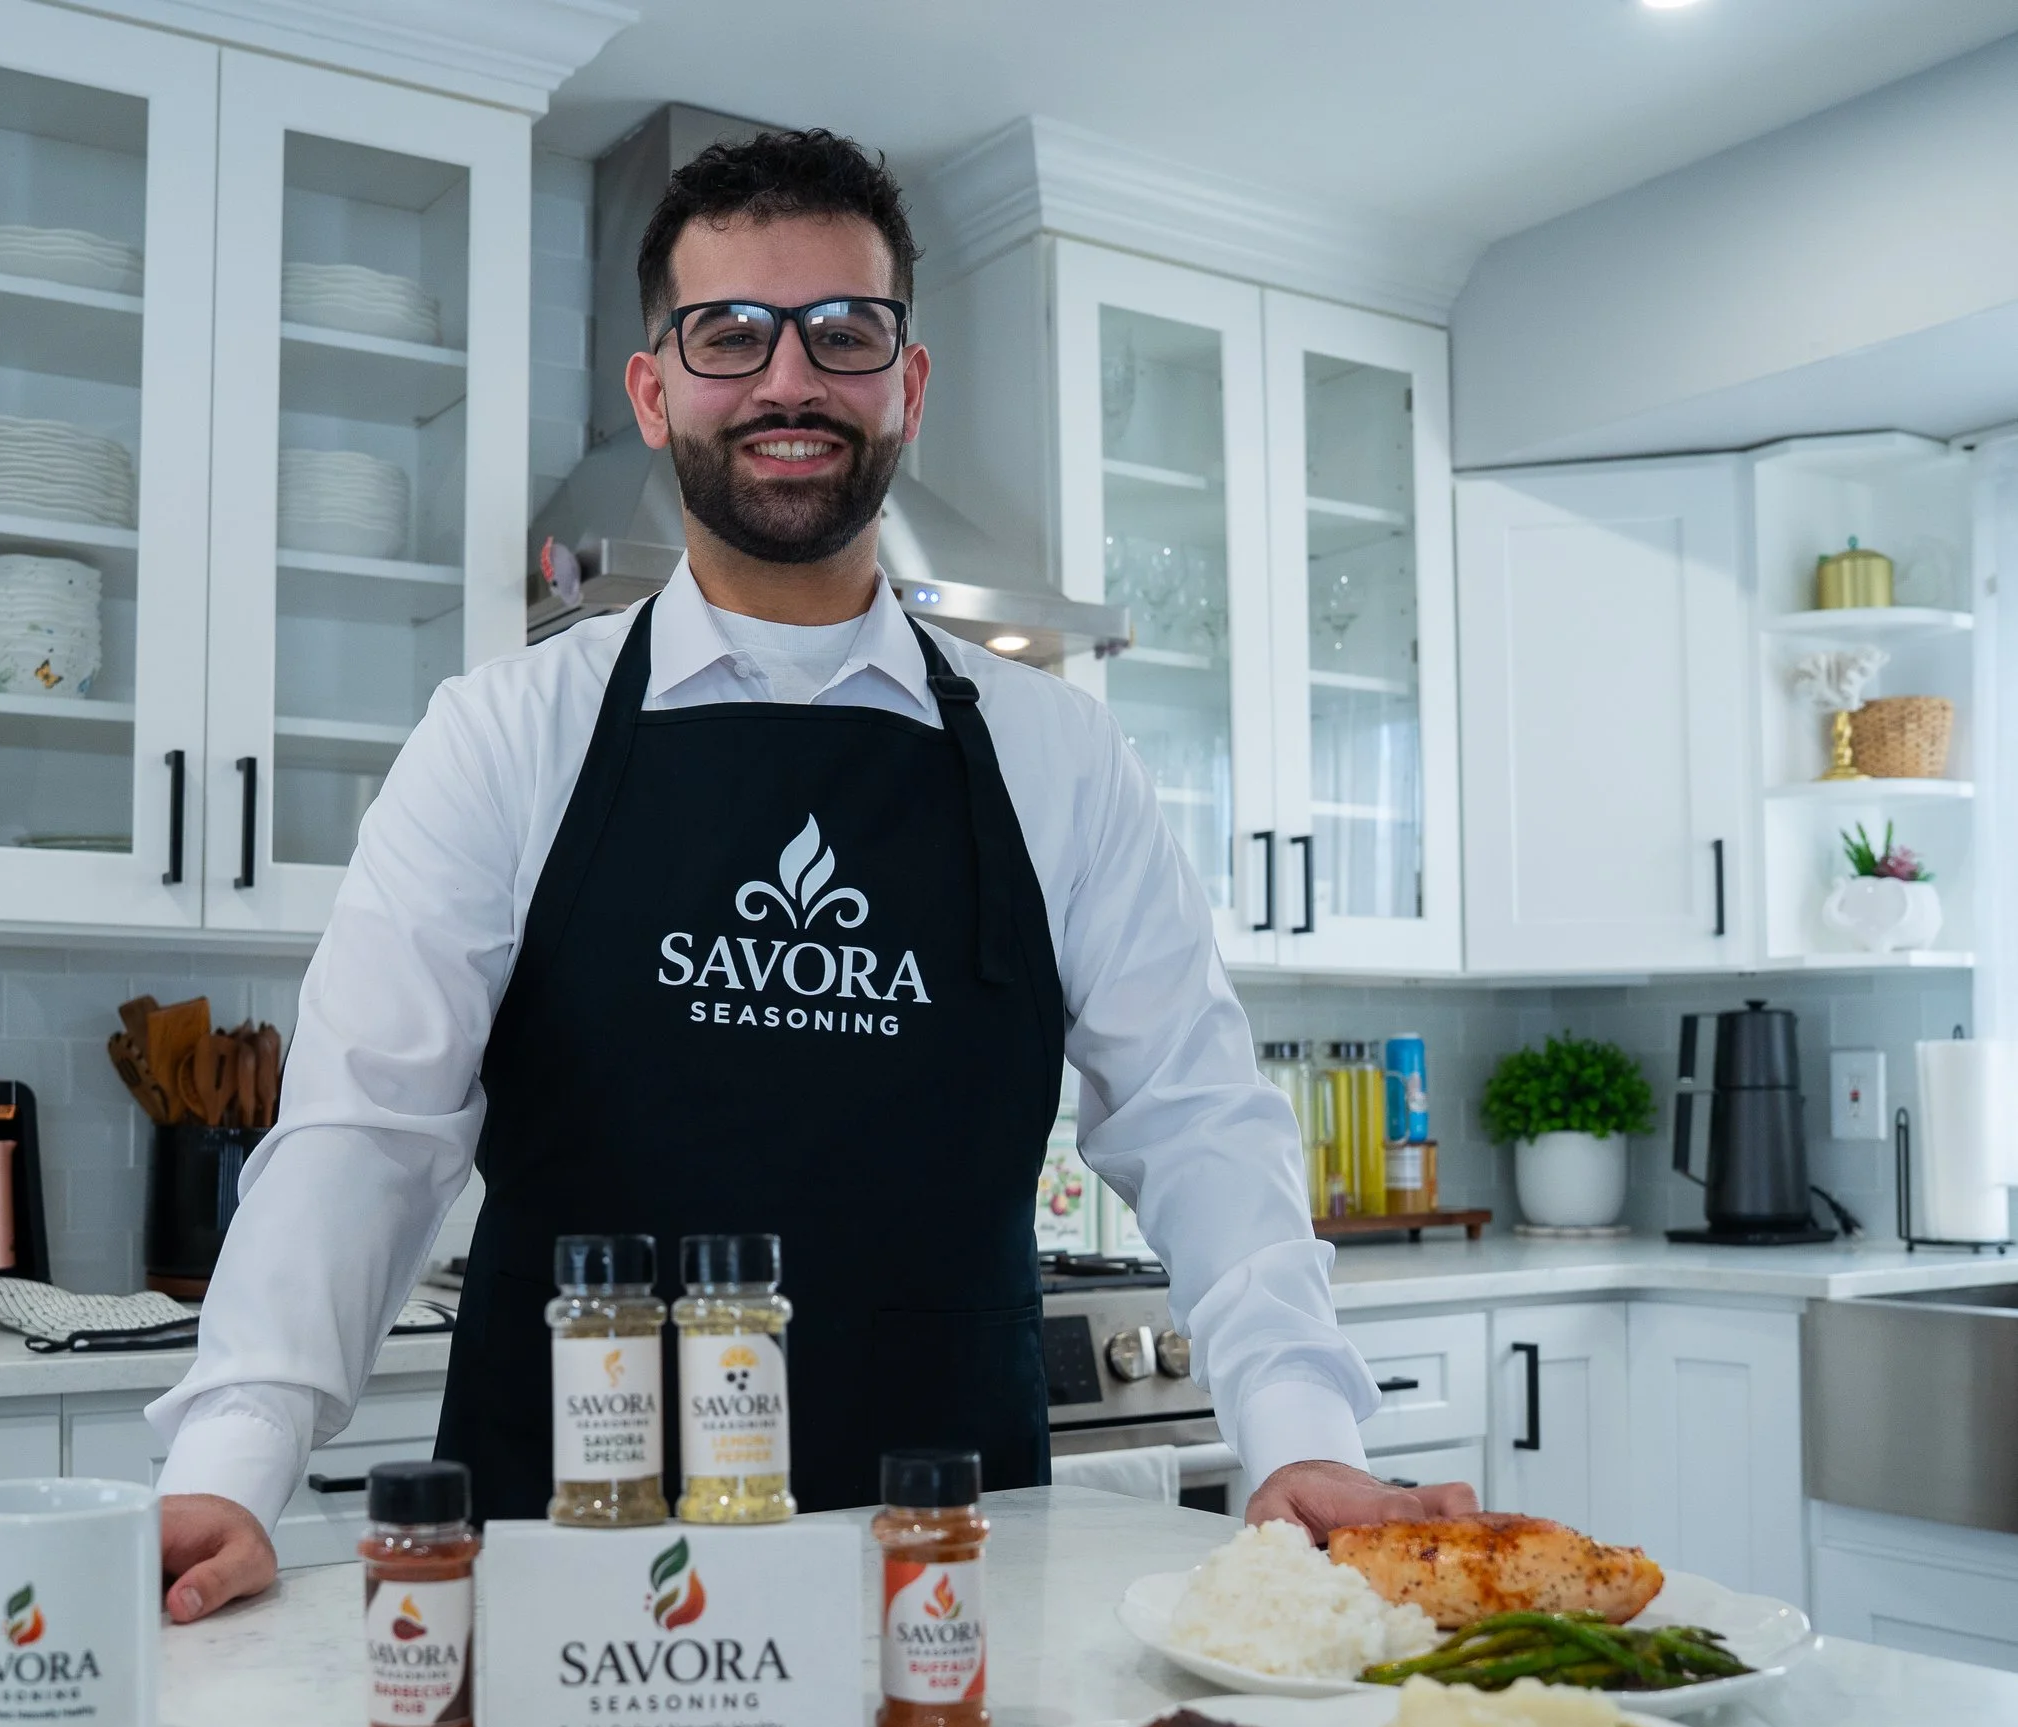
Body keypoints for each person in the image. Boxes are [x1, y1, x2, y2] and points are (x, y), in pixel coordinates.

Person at [149, 129, 1474, 1622]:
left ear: (905, 385)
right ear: (655, 393)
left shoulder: (1060, 756)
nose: (790, 381)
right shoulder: (503, 734)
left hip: (951, 1565)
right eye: (731, 334)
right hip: (572, 1571)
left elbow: (1199, 1115)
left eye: (845, 333)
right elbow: (366, 1131)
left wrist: (1303, 1431)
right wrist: (234, 1461)